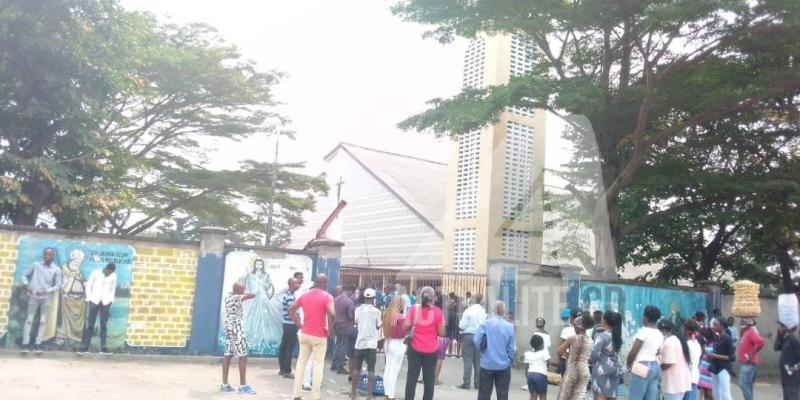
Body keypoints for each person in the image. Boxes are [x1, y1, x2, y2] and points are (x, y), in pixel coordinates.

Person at [289, 274, 335, 400]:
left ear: (315, 282)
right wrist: (330, 329)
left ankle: (297, 395)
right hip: (319, 336)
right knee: (318, 365)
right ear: (325, 284)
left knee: (301, 363)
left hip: (305, 334)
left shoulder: (305, 295)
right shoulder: (327, 296)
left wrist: (299, 325)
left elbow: (291, 310)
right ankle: (315, 397)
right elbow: (332, 313)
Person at [403, 286, 445, 400]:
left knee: (412, 377)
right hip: (431, 351)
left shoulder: (413, 309)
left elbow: (405, 327)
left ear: (421, 297)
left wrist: (414, 325)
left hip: (414, 349)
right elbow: (441, 333)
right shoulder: (438, 312)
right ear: (434, 298)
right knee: (429, 380)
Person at [20, 248, 62, 352]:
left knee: (43, 321)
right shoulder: (36, 265)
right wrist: (26, 285)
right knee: (29, 319)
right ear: (43, 255)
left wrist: (46, 291)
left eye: (49, 255)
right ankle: (25, 344)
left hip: (46, 298)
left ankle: (38, 344)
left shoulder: (56, 269)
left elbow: (58, 285)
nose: (47, 256)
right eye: (45, 254)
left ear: (53, 257)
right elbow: (24, 275)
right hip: (33, 296)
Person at [474, 300, 516, 400]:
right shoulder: (509, 327)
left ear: (493, 310)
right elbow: (512, 348)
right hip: (503, 366)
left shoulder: (486, 324)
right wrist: (509, 360)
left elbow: (476, 340)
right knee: (502, 395)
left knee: (484, 395)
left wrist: (482, 351)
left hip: (487, 364)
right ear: (504, 312)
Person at [219, 282, 256, 394]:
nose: (244, 291)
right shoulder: (237, 298)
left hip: (229, 327)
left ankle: (224, 384)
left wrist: (237, 291)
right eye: (243, 289)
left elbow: (241, 293)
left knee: (228, 354)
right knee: (243, 356)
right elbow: (253, 294)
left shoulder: (228, 297)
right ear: (239, 290)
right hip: (236, 328)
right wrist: (242, 292)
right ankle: (243, 386)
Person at [239, 258, 281, 354]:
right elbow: (248, 287)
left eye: (260, 265)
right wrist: (254, 288)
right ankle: (252, 338)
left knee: (264, 318)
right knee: (253, 318)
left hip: (263, 299)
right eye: (257, 264)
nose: (259, 266)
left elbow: (270, 286)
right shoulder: (250, 276)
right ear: (254, 265)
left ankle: (263, 338)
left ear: (263, 266)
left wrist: (262, 285)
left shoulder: (266, 276)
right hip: (254, 299)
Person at [77, 262, 117, 354]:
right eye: (109, 272)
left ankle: (103, 347)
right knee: (90, 324)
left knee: (103, 324)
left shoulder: (114, 275)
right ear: (107, 269)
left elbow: (112, 289)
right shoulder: (96, 273)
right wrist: (89, 299)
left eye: (112, 272)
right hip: (94, 301)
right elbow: (89, 286)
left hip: (106, 302)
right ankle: (86, 347)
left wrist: (110, 301)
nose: (110, 274)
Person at [626, 305, 664, 400]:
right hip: (655, 366)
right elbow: (658, 351)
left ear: (645, 317)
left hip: (641, 366)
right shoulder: (659, 333)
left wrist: (627, 365)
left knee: (635, 397)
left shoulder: (643, 332)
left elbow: (633, 352)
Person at [351, 288, 382, 400]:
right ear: (373, 298)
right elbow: (378, 325)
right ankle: (369, 395)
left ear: (364, 297)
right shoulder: (377, 311)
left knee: (356, 369)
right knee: (371, 370)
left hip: (360, 343)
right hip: (371, 344)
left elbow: (356, 322)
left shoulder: (357, 310)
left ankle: (353, 393)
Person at [557, 313, 594, 400]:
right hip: (584, 373)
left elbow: (559, 352)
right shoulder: (591, 341)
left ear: (578, 326)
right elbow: (589, 359)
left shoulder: (572, 338)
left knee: (565, 397)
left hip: (572, 372)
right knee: (577, 397)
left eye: (574, 325)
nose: (574, 327)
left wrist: (568, 354)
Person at [591, 311, 623, 400]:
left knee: (601, 395)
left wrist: (589, 359)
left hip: (602, 370)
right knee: (612, 395)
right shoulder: (617, 337)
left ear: (604, 321)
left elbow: (595, 355)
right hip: (615, 370)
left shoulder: (600, 336)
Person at [458, 292, 486, 390]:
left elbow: (461, 325)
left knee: (468, 360)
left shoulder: (468, 311)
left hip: (468, 336)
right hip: (479, 337)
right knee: (477, 361)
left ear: (473, 300)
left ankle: (466, 383)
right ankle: (477, 384)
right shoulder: (483, 312)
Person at [658, 319, 692, 400]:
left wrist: (658, 369)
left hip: (672, 383)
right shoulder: (678, 339)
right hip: (681, 381)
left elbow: (669, 363)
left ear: (663, 330)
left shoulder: (670, 341)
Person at [382, 297, 407, 400]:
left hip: (388, 341)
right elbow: (404, 331)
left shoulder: (387, 315)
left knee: (388, 369)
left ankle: (386, 393)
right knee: (394, 371)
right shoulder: (401, 318)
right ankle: (391, 395)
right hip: (398, 343)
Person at [278, 277, 301, 378]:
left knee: (284, 346)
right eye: (296, 283)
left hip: (287, 324)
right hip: (291, 324)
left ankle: (282, 369)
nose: (298, 285)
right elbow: (292, 312)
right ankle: (287, 370)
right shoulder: (290, 297)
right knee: (289, 348)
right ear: (291, 284)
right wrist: (299, 323)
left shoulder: (288, 295)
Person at [707, 318, 735, 400]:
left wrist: (715, 356)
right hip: (715, 367)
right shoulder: (717, 338)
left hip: (724, 368)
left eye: (716, 325)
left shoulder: (727, 339)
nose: (713, 326)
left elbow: (730, 357)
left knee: (726, 394)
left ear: (722, 327)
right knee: (716, 392)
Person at [737, 317, 765, 400]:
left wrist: (750, 355)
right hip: (746, 364)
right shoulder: (746, 332)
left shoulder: (751, 332)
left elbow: (761, 343)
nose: (741, 321)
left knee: (743, 385)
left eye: (743, 320)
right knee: (747, 385)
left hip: (749, 364)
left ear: (748, 323)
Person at [332, 285, 355, 374]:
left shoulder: (336, 299)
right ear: (350, 291)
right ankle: (340, 367)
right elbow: (350, 315)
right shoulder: (349, 302)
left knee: (337, 344)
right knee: (343, 346)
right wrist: (353, 320)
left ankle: (334, 364)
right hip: (345, 325)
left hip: (337, 324)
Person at [775, 321, 800, 400]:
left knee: (792, 397)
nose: (780, 328)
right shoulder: (785, 339)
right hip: (785, 377)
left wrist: (795, 368)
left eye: (782, 326)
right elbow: (776, 348)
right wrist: (778, 335)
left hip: (792, 378)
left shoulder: (794, 340)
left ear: (787, 328)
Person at [525, 334, 550, 400]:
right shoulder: (544, 353)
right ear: (542, 345)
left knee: (533, 396)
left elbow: (526, 367)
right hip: (540, 376)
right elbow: (549, 361)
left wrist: (527, 377)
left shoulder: (528, 354)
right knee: (543, 396)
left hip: (530, 375)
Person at [684, 319, 703, 400]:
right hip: (694, 376)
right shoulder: (697, 344)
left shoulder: (687, 344)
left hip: (686, 377)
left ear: (687, 330)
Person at [697, 326, 716, 400]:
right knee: (705, 392)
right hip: (704, 371)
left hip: (709, 372)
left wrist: (706, 354)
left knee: (709, 393)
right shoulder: (706, 344)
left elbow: (712, 358)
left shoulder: (714, 345)